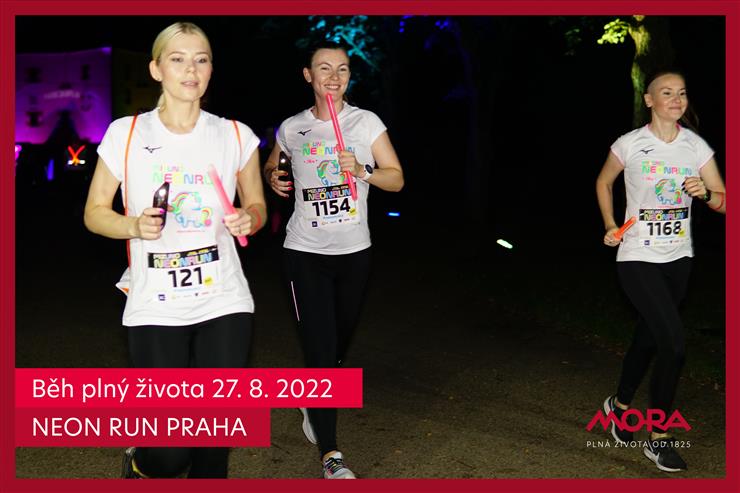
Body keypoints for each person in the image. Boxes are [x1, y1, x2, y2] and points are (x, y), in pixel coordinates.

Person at [83, 21, 266, 478]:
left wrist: (250, 218)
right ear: (156, 69)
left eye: (201, 60)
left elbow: (258, 205)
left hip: (223, 297)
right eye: (178, 59)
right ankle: (141, 461)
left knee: (212, 442)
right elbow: (94, 213)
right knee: (169, 452)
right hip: (155, 302)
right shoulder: (126, 134)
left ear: (211, 70)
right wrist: (133, 225)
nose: (191, 69)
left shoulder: (235, 135)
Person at [263, 44, 404, 479]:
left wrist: (362, 170)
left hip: (354, 253)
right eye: (324, 68)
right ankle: (331, 456)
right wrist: (273, 177)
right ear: (308, 75)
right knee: (321, 352)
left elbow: (396, 179)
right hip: (304, 252)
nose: (334, 76)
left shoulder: (366, 122)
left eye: (342, 69)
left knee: (336, 348)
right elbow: (273, 163)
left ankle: (312, 397)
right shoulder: (293, 127)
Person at [595, 71, 726, 473]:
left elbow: (725, 202)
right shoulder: (630, 143)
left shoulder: (695, 147)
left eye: (681, 93)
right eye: (666, 93)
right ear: (649, 100)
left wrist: (707, 194)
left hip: (679, 259)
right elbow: (603, 182)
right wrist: (610, 224)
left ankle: (618, 407)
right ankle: (660, 437)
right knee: (674, 343)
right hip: (637, 255)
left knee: (649, 336)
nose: (676, 99)